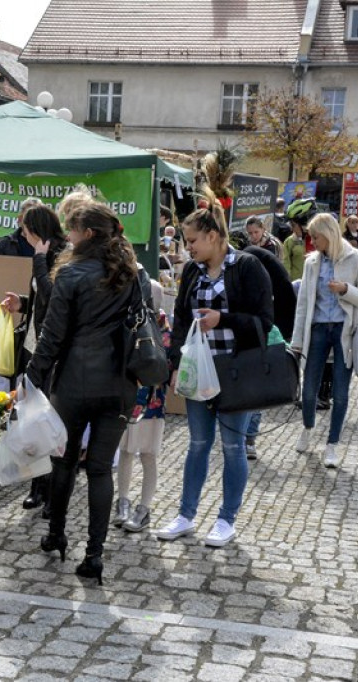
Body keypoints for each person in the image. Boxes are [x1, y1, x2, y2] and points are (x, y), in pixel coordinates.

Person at [26, 203, 139, 586]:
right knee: (100, 469)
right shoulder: (129, 273)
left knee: (64, 462)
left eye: (72, 230)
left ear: (88, 234)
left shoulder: (71, 273)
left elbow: (52, 337)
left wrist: (31, 377)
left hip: (73, 384)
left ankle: (56, 534)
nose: (67, 237)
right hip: (118, 384)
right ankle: (94, 554)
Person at [154, 194, 273, 548]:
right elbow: (179, 322)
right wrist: (175, 363)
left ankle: (226, 519)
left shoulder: (247, 266)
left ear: (212, 235)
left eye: (192, 241)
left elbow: (265, 324)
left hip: (235, 371)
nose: (188, 248)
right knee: (198, 443)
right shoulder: (192, 270)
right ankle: (186, 516)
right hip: (198, 369)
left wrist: (225, 319)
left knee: (234, 446)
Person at [0, 204, 68, 513]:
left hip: (52, 352)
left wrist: (40, 259)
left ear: (38, 231)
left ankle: (53, 490)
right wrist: (22, 303)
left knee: (47, 420)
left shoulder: (60, 257)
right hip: (31, 345)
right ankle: (37, 486)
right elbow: (41, 300)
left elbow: (53, 297)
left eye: (26, 231)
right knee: (29, 417)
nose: (23, 236)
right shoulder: (40, 255)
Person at [291, 213, 358, 468]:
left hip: (345, 331)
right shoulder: (311, 263)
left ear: (329, 234)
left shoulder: (357, 258)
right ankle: (307, 427)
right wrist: (296, 340)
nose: (312, 241)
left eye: (315, 237)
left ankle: (332, 444)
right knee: (308, 390)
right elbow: (303, 304)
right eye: (311, 237)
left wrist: (345, 290)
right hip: (317, 329)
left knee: (340, 392)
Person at [114, 284, 169, 533]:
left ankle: (144, 507)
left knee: (147, 454)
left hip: (151, 401)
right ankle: (122, 501)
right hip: (128, 398)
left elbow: (163, 361)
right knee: (125, 451)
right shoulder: (127, 320)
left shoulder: (162, 325)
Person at [241, 245, 297, 460]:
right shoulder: (264, 265)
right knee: (257, 389)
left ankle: (248, 437)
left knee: (253, 388)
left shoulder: (251, 266)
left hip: (266, 331)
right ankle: (249, 438)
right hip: (272, 329)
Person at [283, 198, 316, 281]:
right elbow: (285, 265)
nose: (292, 229)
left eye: (293, 225)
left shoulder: (323, 241)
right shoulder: (290, 241)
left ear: (304, 224)